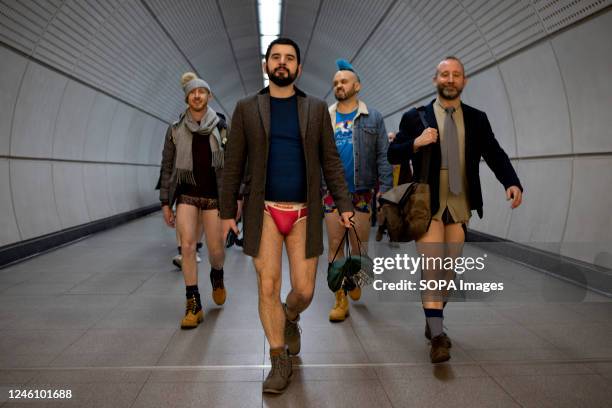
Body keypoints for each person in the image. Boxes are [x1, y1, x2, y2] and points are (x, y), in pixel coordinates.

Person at [220, 38, 352, 394]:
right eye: (275, 57)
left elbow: (330, 162)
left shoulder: (316, 108)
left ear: (298, 68)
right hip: (262, 211)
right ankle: (279, 360)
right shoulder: (247, 108)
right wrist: (226, 211)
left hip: (304, 213)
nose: (282, 63)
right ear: (266, 65)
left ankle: (290, 316)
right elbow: (233, 162)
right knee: (268, 286)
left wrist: (345, 205)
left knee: (305, 290)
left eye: (289, 58)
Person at [388, 56, 523, 363]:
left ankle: (432, 315)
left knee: (447, 273)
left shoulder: (477, 118)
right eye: (444, 74)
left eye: (456, 75)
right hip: (428, 205)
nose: (450, 79)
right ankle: (438, 334)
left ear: (464, 81)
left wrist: (511, 182)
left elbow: (494, 153)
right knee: (433, 268)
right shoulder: (415, 117)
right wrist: (416, 143)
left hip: (460, 206)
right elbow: (392, 154)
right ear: (435, 80)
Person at [324, 59, 393, 322]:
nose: (338, 85)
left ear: (357, 85)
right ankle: (339, 297)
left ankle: (355, 278)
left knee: (359, 246)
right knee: (334, 244)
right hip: (332, 192)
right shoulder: (325, 117)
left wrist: (384, 190)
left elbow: (383, 156)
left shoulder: (372, 118)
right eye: (335, 83)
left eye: (343, 81)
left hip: (362, 191)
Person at [159, 72, 228, 330]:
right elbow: (167, 166)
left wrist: (236, 199)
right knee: (187, 247)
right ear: (187, 97)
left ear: (209, 96)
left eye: (202, 91)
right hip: (186, 195)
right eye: (192, 92)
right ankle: (193, 303)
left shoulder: (222, 127)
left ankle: (217, 275)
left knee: (216, 250)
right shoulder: (176, 129)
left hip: (214, 198)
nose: (197, 95)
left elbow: (232, 165)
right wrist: (166, 201)